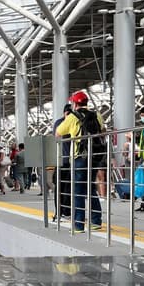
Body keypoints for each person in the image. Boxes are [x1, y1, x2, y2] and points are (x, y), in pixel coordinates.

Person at [56, 91, 105, 232]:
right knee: (90, 188)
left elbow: (58, 133)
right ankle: (96, 221)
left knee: (77, 191)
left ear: (74, 103)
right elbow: (102, 130)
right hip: (94, 156)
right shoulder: (96, 115)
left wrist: (67, 120)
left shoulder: (72, 117)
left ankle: (78, 225)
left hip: (79, 157)